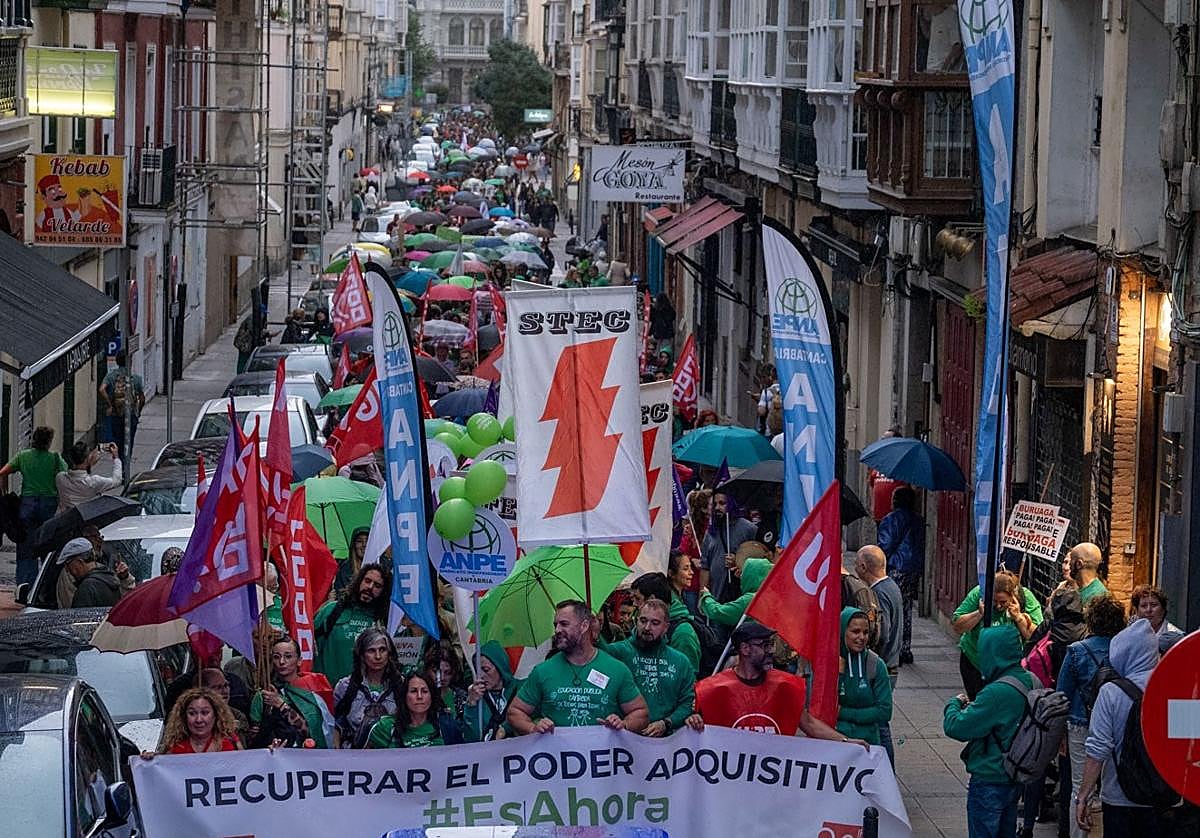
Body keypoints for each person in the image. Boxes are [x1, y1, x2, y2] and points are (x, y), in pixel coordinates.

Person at [689, 621, 868, 746]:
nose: (771, 651)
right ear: (745, 649)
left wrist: (845, 742)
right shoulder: (713, 690)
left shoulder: (785, 686)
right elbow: (695, 727)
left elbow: (809, 724)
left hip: (774, 785)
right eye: (765, 645)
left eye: (771, 645)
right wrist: (693, 721)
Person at [943, 624, 1037, 838]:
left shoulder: (996, 692)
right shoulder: (1031, 680)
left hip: (990, 777)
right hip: (1016, 776)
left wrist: (953, 704)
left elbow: (956, 727)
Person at [1075, 619, 1163, 835]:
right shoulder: (1173, 690)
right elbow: (1187, 746)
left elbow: (1097, 751)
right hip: (1164, 797)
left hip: (1119, 796)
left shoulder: (1111, 692)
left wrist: (1083, 796)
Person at [508, 600, 648, 734]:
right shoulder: (543, 671)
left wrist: (623, 725)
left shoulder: (616, 669)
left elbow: (641, 713)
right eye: (555, 625)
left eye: (564, 624)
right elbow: (515, 712)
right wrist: (532, 728)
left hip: (599, 756)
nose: (557, 630)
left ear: (584, 626)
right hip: (557, 756)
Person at [1057, 593, 1128, 838]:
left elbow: (1062, 694)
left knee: (1080, 786)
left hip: (1080, 723)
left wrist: (1060, 735)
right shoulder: (1124, 650)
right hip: (1115, 724)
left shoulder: (1077, 650)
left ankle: (1079, 834)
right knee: (1110, 783)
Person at [607, 598, 697, 737]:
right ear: (636, 620)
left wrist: (667, 723)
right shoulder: (617, 652)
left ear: (666, 627)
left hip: (666, 742)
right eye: (643, 621)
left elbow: (688, 702)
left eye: (655, 623)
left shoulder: (680, 661)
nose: (647, 627)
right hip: (623, 737)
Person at [953, 570, 1043, 699]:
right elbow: (957, 626)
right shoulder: (979, 593)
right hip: (975, 663)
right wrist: (979, 614)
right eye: (994, 601)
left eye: (1003, 602)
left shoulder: (1026, 598)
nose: (998, 606)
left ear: (1012, 596)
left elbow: (1037, 637)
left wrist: (1018, 617)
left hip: (1009, 668)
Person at [0, 426, 67, 586]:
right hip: (48, 504)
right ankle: (43, 582)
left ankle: (24, 584)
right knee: (46, 543)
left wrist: (4, 492)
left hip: (27, 503)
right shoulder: (55, 459)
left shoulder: (23, 457)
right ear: (49, 441)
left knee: (25, 545)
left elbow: (3, 472)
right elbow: (65, 475)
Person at [854, 545, 903, 763]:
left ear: (863, 566)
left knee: (879, 724)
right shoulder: (892, 586)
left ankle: (887, 772)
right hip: (892, 663)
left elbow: (882, 633)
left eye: (856, 563)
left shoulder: (879, 592)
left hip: (885, 665)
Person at [313, 564, 389, 686]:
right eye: (367, 581)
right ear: (359, 581)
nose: (370, 587)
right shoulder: (331, 611)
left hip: (366, 699)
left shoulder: (383, 622)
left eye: (377, 585)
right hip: (327, 695)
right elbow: (308, 649)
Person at [251, 636, 332, 748]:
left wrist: (281, 705)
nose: (282, 662)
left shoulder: (311, 689)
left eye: (288, 656)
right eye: (276, 657)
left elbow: (311, 732)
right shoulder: (264, 695)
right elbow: (254, 737)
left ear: (299, 661)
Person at [331, 628, 405, 749]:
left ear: (389, 653)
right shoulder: (345, 687)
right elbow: (337, 724)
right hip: (353, 758)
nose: (378, 656)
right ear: (361, 655)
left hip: (392, 756)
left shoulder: (402, 686)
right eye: (371, 651)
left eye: (382, 650)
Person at [878, 485, 925, 665]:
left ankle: (892, 648)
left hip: (896, 566)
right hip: (912, 568)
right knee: (906, 607)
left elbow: (886, 545)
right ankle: (905, 648)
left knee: (890, 607)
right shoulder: (918, 520)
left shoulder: (891, 520)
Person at [836, 607, 893, 748]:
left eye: (866, 632)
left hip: (869, 744)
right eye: (855, 632)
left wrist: (843, 712)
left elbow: (884, 711)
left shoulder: (875, 664)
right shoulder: (829, 664)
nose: (862, 637)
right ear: (842, 631)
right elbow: (822, 709)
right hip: (836, 743)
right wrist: (839, 675)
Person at [366, 670, 464, 748]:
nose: (419, 696)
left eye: (425, 691)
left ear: (431, 696)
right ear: (404, 696)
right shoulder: (385, 727)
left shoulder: (446, 725)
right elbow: (365, 761)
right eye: (413, 691)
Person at [630, 572, 701, 672]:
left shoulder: (683, 634)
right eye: (643, 621)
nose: (634, 604)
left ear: (652, 600)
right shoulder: (638, 623)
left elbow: (687, 678)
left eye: (638, 599)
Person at [699, 489, 757, 603]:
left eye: (722, 503)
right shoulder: (711, 532)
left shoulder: (749, 529)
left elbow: (760, 560)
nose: (717, 508)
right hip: (716, 595)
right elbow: (705, 567)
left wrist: (738, 561)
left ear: (731, 504)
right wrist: (703, 595)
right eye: (715, 504)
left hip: (740, 596)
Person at [463, 641, 520, 742]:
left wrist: (505, 728)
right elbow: (471, 740)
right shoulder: (478, 697)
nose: (480, 675)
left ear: (500, 667)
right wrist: (471, 704)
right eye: (477, 670)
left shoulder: (521, 689)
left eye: (486, 669)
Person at [159, 687, 242, 754]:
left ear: (216, 715)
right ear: (184, 716)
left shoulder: (231, 742)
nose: (199, 719)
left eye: (205, 713)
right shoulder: (174, 747)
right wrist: (151, 760)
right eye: (192, 713)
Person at [698, 556, 771, 628]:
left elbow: (719, 612)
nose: (741, 576)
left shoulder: (750, 600)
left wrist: (706, 597)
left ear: (751, 575)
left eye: (744, 573)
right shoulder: (771, 596)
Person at [58, 536, 129, 608]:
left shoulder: (86, 588)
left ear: (79, 562)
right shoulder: (110, 578)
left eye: (68, 565)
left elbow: (79, 618)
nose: (67, 570)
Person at [99, 351, 146, 457]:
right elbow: (142, 398)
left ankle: (118, 460)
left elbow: (101, 389)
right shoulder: (136, 379)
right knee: (129, 442)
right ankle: (126, 463)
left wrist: (110, 404)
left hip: (116, 414)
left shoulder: (111, 376)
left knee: (118, 441)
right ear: (129, 362)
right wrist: (138, 411)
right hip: (131, 415)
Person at [56, 441, 123, 513]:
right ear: (87, 460)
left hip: (65, 517)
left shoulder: (60, 478)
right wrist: (116, 458)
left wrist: (100, 448)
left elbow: (78, 471)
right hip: (86, 518)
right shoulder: (94, 482)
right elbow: (117, 481)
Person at [1128, 584, 1183, 650]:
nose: (1148, 610)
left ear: (1163, 609)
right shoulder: (1131, 632)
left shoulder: (1176, 638)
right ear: (1136, 611)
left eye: (1153, 605)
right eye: (1144, 606)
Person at [424, 641, 469, 721]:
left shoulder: (461, 698)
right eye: (436, 672)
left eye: (447, 672)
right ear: (427, 670)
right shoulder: (418, 696)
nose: (442, 677)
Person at [200, 668, 250, 739]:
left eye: (226, 685)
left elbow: (242, 747)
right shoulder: (195, 717)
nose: (225, 691)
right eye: (218, 687)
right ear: (204, 690)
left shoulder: (238, 716)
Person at [334, 528, 371, 595]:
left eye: (367, 541)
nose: (364, 545)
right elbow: (339, 594)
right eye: (359, 541)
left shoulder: (382, 567)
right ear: (354, 546)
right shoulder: (344, 570)